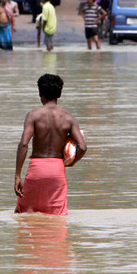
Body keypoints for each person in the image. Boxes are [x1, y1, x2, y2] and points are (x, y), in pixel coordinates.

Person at [14, 74, 87, 215]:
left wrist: (17, 175)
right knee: (57, 214)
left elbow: (23, 144)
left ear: (40, 93)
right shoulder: (68, 118)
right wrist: (72, 162)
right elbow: (83, 147)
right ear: (59, 94)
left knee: (23, 212)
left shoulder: (33, 115)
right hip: (57, 168)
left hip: (37, 167)